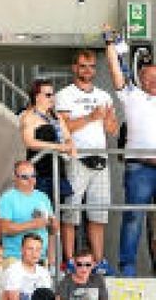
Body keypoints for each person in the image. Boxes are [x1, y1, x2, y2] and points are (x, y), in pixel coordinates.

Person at [55, 48, 119, 272]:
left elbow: (112, 129)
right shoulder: (64, 94)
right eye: (83, 66)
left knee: (98, 213)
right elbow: (62, 128)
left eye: (92, 66)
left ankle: (99, 261)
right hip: (76, 158)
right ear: (74, 68)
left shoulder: (104, 95)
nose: (88, 70)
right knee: (71, 212)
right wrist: (90, 117)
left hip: (101, 158)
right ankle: (70, 260)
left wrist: (109, 120)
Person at [105, 29, 156, 277]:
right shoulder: (132, 95)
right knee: (134, 218)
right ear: (140, 78)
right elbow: (115, 70)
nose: (154, 81)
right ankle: (127, 269)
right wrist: (110, 44)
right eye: (149, 77)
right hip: (139, 167)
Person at [18, 78, 75, 208]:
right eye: (48, 95)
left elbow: (67, 137)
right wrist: (58, 147)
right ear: (37, 97)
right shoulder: (28, 116)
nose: (52, 98)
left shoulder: (56, 116)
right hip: (39, 173)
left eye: (53, 94)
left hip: (57, 170)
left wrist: (69, 145)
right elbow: (29, 142)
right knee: (38, 213)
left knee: (56, 213)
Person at [0, 158, 56, 264]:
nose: (30, 180)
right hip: (15, 258)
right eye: (25, 177)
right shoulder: (7, 198)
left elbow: (52, 232)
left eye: (33, 176)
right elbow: (4, 228)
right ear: (15, 178)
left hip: (40, 258)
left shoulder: (42, 196)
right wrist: (32, 224)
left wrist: (51, 258)